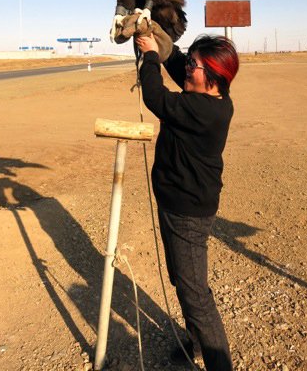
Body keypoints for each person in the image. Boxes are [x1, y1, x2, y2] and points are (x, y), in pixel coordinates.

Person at [135, 32, 239, 370]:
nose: (187, 68)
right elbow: (180, 64)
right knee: (184, 282)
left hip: (187, 213)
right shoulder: (211, 94)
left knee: (196, 296)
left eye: (194, 64)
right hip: (175, 204)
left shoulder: (203, 109)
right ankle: (196, 344)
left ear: (212, 77)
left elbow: (155, 97)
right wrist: (159, 40)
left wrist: (150, 56)